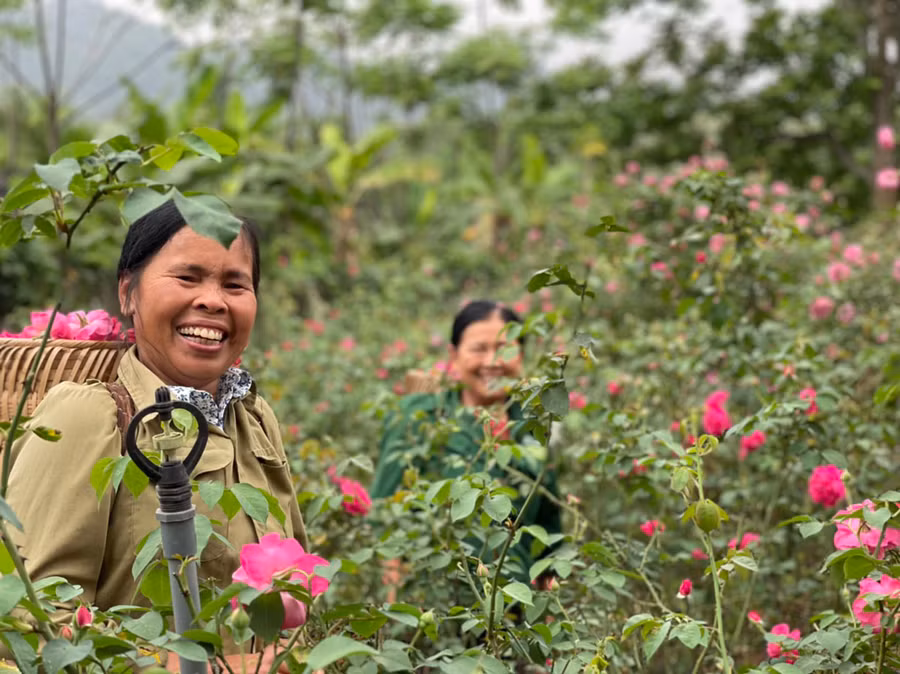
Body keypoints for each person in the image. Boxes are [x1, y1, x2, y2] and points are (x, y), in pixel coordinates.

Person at [6, 200, 307, 670]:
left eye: (235, 284)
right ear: (128, 292)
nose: (213, 300)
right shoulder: (93, 417)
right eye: (187, 277)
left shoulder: (254, 416)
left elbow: (293, 584)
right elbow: (27, 620)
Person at [371, 300, 563, 591]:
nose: (492, 362)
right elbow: (383, 518)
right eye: (478, 349)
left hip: (516, 612)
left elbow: (549, 529)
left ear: (521, 355)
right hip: (435, 606)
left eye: (504, 349)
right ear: (454, 354)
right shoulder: (417, 417)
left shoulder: (533, 426)